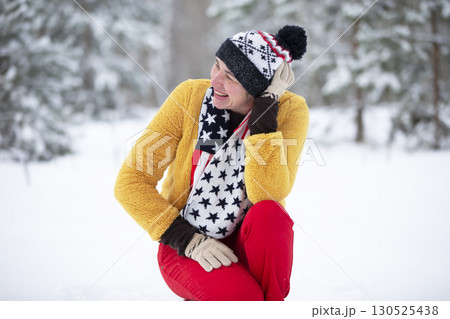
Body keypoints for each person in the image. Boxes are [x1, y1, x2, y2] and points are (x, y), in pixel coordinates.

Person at [114, 25, 309, 301]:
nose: (215, 80)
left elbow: (268, 194)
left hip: (248, 240)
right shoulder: (189, 97)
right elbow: (130, 181)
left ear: (259, 89)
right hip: (186, 244)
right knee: (246, 300)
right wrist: (188, 240)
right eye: (216, 65)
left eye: (230, 77)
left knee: (271, 215)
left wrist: (264, 114)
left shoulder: (290, 111)